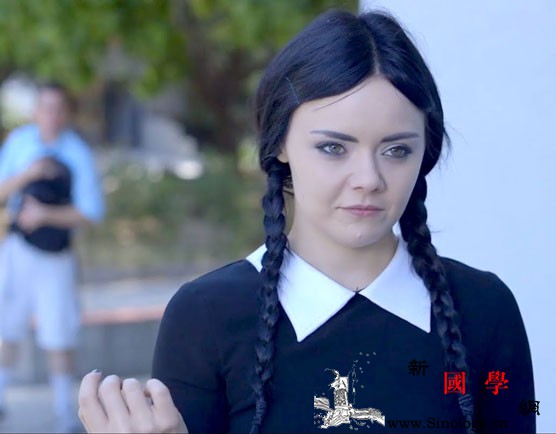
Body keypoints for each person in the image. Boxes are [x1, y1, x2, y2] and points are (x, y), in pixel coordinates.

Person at [78, 9, 535, 434]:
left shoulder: (484, 309)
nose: (368, 179)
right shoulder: (206, 317)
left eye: (397, 150)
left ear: (424, 153)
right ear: (279, 142)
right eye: (333, 148)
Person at [0, 82, 105, 432]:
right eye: (45, 108)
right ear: (36, 111)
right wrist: (29, 174)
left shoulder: (77, 153)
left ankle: (64, 412)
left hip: (55, 257)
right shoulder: (19, 144)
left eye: (58, 109)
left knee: (59, 333)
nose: (51, 116)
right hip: (17, 251)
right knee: (7, 326)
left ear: (67, 113)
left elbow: (90, 211)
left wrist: (46, 215)